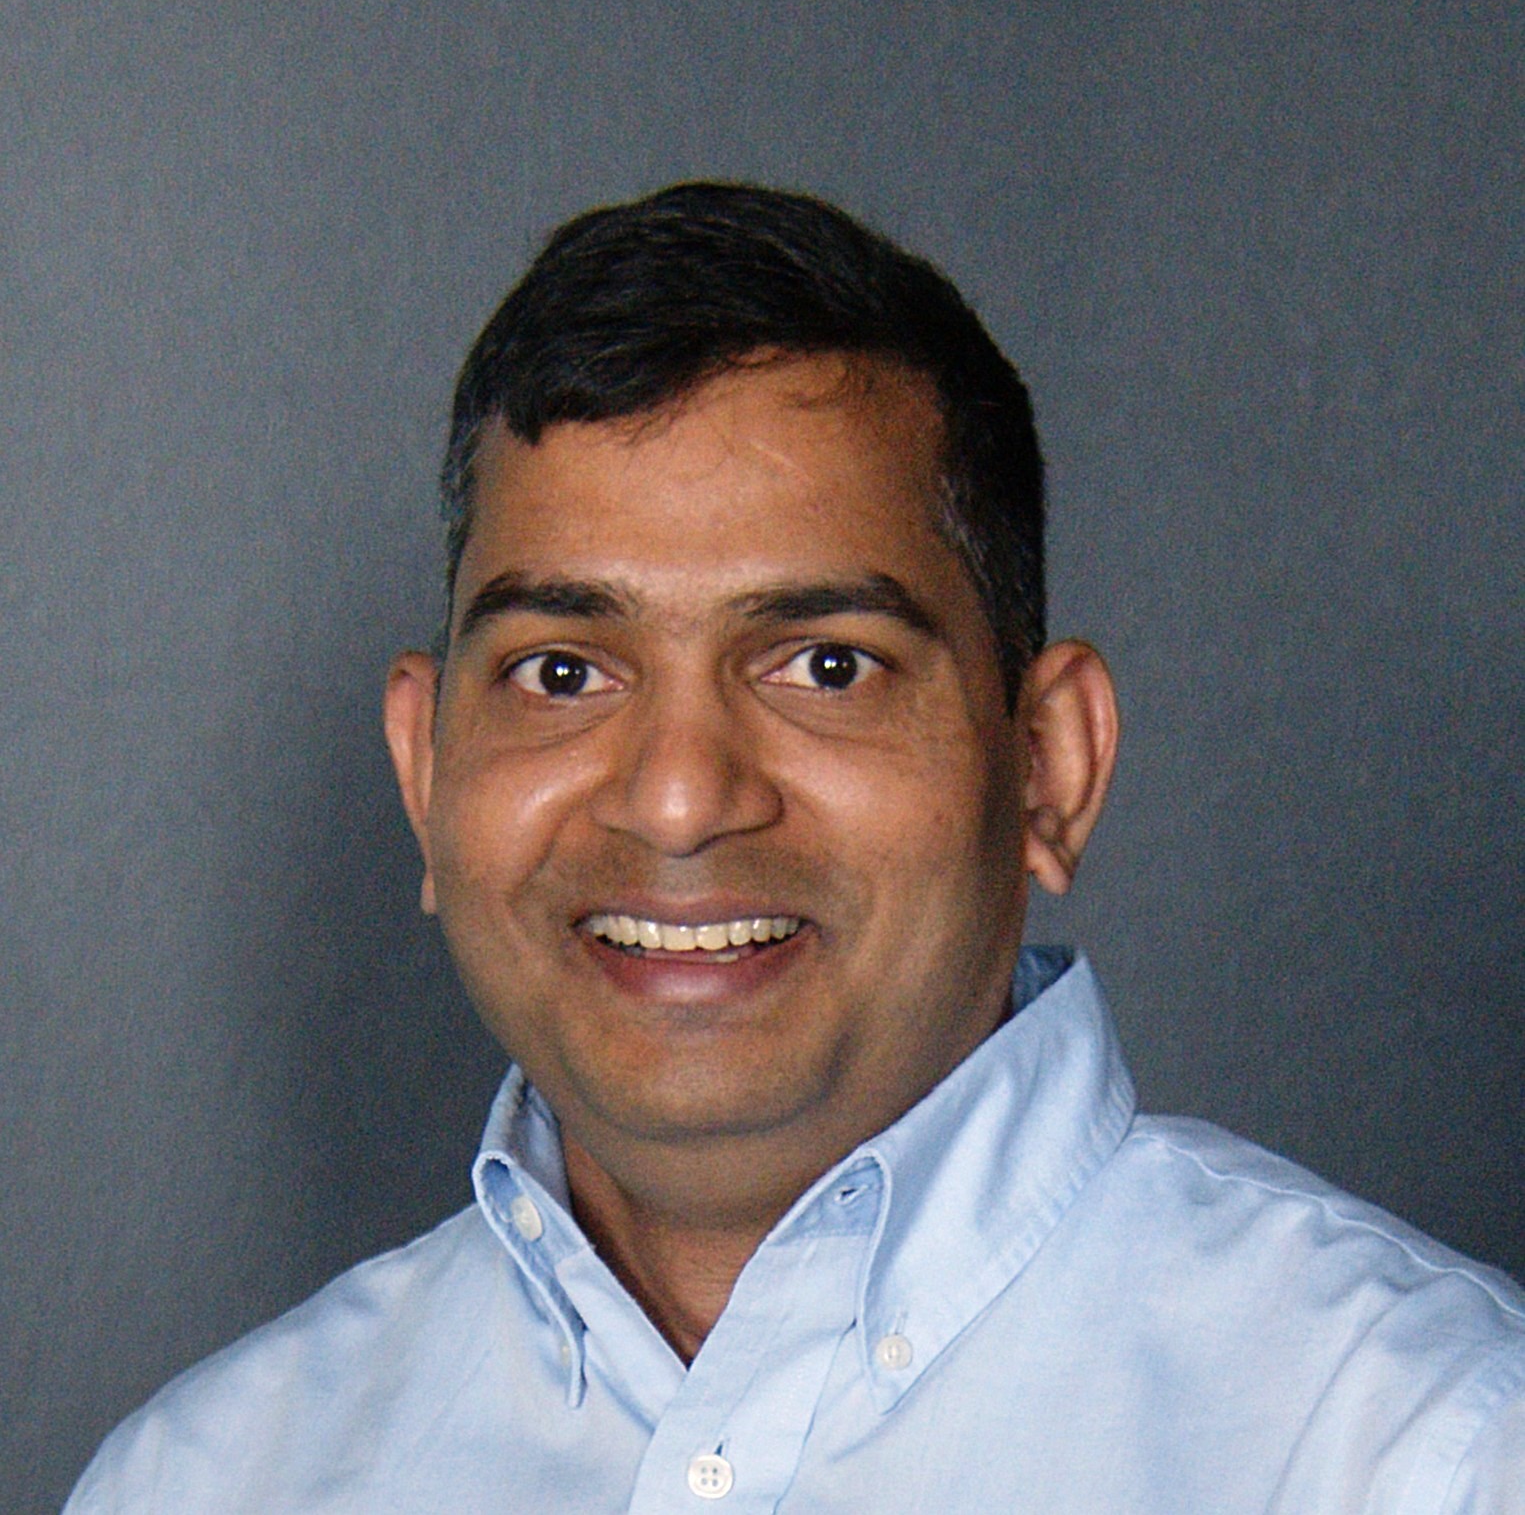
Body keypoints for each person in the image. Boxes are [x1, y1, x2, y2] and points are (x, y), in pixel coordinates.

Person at [66, 182, 1524, 1512]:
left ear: (1050, 764)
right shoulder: (202, 1482)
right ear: (427, 769)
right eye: (562, 671)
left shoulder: (1426, 1449)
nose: (678, 799)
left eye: (826, 665)